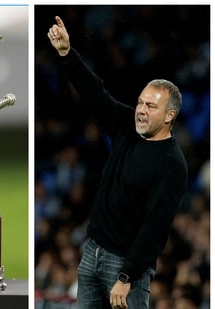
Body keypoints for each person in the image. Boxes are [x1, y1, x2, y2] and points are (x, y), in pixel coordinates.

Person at [46, 16, 188, 309]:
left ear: (169, 116)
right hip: (92, 254)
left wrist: (126, 276)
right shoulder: (127, 127)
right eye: (139, 102)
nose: (141, 110)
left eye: (150, 106)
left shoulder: (172, 164)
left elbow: (154, 228)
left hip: (125, 270)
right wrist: (67, 54)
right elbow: (96, 94)